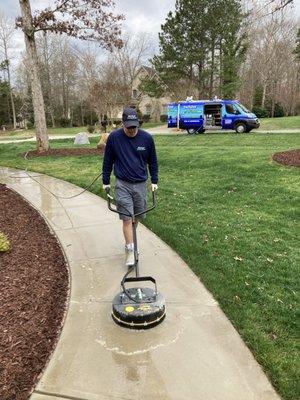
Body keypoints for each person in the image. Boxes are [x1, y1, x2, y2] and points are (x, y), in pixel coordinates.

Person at [102, 107, 158, 267]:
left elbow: (152, 161)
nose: (132, 130)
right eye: (129, 127)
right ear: (123, 124)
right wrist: (106, 181)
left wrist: (154, 180)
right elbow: (107, 161)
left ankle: (131, 244)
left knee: (136, 218)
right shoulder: (114, 138)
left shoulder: (147, 139)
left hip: (140, 184)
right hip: (123, 184)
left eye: (135, 126)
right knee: (127, 219)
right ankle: (130, 250)